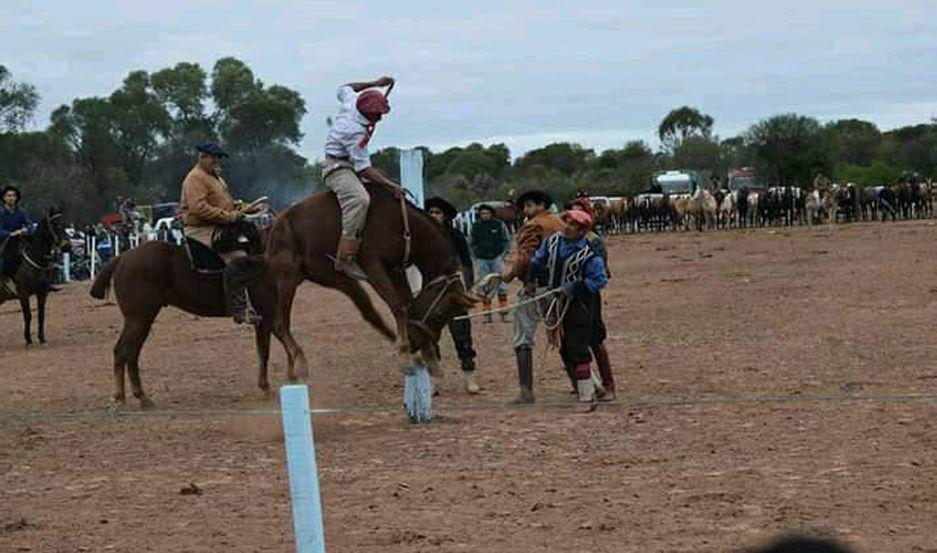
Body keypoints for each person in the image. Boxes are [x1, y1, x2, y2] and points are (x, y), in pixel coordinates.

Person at [529, 209, 608, 412]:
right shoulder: (553, 242)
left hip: (579, 305)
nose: (568, 227)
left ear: (582, 231)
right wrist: (531, 277)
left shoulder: (589, 254)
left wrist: (574, 287)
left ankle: (587, 397)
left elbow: (599, 280)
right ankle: (592, 386)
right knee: (564, 347)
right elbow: (538, 261)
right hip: (556, 301)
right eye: (567, 222)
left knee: (578, 347)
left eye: (573, 225)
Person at [322, 75, 399, 281]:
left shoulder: (351, 100)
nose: (380, 118)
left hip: (349, 164)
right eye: (377, 114)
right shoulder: (354, 131)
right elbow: (364, 168)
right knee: (360, 199)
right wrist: (391, 185)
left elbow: (345, 86)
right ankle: (344, 257)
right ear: (367, 113)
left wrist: (374, 84)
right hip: (338, 167)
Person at [497, 190, 565, 404]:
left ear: (540, 205)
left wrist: (508, 276)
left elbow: (525, 258)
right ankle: (586, 384)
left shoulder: (533, 225)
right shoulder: (561, 223)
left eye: (528, 206)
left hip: (534, 287)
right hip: (560, 286)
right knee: (562, 334)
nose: (525, 210)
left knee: (522, 336)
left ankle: (526, 391)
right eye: (524, 206)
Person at [179, 141, 258, 325]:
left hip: (218, 225)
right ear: (202, 157)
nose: (217, 161)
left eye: (219, 158)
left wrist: (246, 208)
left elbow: (227, 203)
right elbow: (198, 208)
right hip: (201, 229)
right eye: (214, 158)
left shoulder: (217, 178)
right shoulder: (194, 178)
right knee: (238, 258)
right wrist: (229, 217)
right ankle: (240, 310)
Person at [426, 196, 480, 394]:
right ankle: (435, 379)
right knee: (429, 337)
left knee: (462, 335)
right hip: (430, 292)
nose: (433, 216)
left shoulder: (455, 235)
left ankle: (469, 376)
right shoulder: (422, 236)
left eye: (437, 212)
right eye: (430, 212)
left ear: (445, 216)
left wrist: (468, 288)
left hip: (454, 290)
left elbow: (466, 263)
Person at [567, 197, 616, 401]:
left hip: (587, 296)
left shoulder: (594, 241)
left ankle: (608, 384)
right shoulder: (561, 241)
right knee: (569, 341)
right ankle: (583, 383)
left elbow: (600, 273)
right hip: (566, 296)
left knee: (594, 339)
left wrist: (581, 284)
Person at [470, 204, 510, 323]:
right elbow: (471, 242)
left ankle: (504, 313)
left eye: (487, 213)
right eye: (482, 214)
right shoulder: (475, 226)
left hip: (497, 258)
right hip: (482, 259)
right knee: (485, 286)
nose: (485, 216)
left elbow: (506, 239)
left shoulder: (498, 224)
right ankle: (487, 314)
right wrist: (475, 256)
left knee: (501, 284)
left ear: (491, 214)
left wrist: (503, 255)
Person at [0, 185, 32, 284]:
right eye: (8, 195)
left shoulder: (21, 211)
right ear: (4, 198)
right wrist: (10, 234)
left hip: (20, 241)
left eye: (13, 195)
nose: (11, 198)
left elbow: (30, 224)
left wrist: (25, 230)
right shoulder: (0, 212)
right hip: (4, 242)